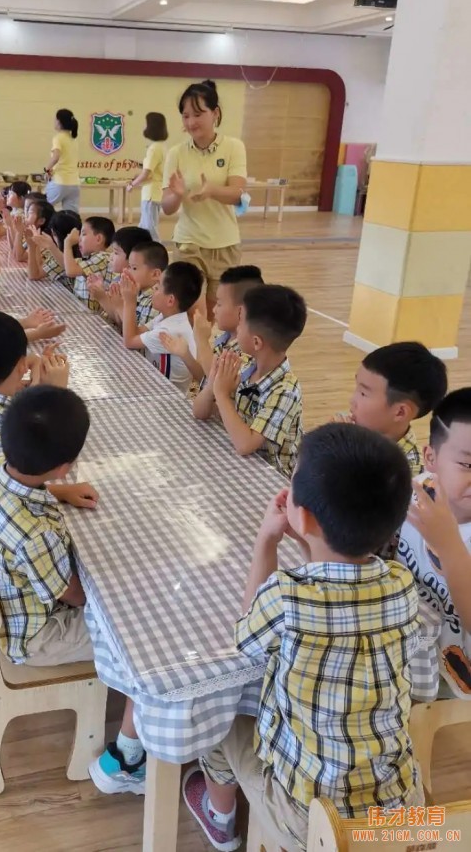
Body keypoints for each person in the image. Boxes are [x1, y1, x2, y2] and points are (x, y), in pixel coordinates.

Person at [181, 423, 425, 852]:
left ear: (305, 515)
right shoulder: (401, 584)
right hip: (401, 811)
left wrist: (266, 542)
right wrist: (309, 541)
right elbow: (340, 588)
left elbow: (248, 636)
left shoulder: (287, 595)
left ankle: (220, 819)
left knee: (222, 718)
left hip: (312, 820)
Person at [0, 385, 100, 665]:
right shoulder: (36, 536)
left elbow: (16, 492)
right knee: (124, 634)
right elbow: (75, 596)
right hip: (36, 637)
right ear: (64, 467)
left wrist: (62, 491)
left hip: (6, 601)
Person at [0, 312, 95, 528]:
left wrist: (39, 386)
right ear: (21, 366)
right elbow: (43, 457)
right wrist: (56, 392)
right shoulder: (8, 425)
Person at [397, 387, 471, 699]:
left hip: (451, 684)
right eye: (468, 465)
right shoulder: (417, 492)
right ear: (431, 458)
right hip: (405, 650)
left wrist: (450, 544)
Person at [195, 285, 306, 477]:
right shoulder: (242, 361)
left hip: (272, 478)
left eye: (240, 323)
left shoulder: (285, 390)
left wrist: (221, 394)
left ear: (256, 342)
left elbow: (245, 445)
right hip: (236, 463)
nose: (236, 329)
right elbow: (199, 412)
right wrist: (213, 384)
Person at [162, 80, 247, 318]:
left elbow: (238, 194)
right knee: (192, 313)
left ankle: (203, 354)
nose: (191, 122)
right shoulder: (176, 153)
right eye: (186, 116)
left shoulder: (234, 147)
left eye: (198, 114)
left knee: (213, 317)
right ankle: (188, 354)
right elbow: (167, 208)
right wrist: (177, 195)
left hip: (225, 246)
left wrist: (212, 191)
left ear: (215, 113)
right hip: (189, 243)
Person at [342, 341, 448, 475]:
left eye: (363, 393)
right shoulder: (358, 429)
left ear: (400, 412)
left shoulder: (404, 472)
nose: (352, 401)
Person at [161, 264, 264, 385]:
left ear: (241, 311)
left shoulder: (246, 349)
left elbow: (217, 386)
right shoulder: (224, 338)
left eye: (219, 304)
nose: (214, 310)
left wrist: (202, 341)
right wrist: (185, 354)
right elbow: (204, 379)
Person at [120, 261, 203, 395]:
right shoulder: (168, 317)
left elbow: (129, 341)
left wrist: (129, 301)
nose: (153, 289)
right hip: (155, 386)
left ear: (170, 300)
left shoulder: (169, 331)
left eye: (158, 287)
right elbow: (135, 332)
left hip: (166, 396)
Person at [87, 226, 152, 322]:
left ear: (133, 257)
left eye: (116, 253)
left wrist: (103, 298)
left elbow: (127, 327)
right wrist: (101, 294)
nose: (111, 257)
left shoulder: (149, 296)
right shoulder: (118, 280)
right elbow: (117, 317)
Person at [127, 112, 168, 241]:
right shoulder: (162, 147)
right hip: (156, 192)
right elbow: (154, 170)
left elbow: (146, 174)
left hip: (151, 194)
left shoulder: (154, 148)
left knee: (150, 229)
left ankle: (158, 254)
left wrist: (132, 184)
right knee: (144, 227)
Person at [63, 216, 115, 312]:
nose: (79, 239)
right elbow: (65, 265)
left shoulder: (102, 257)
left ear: (99, 239)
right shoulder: (88, 259)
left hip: (97, 318)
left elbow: (70, 271)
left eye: (83, 234)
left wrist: (67, 243)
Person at [26, 209, 82, 288]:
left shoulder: (61, 253)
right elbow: (40, 265)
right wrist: (35, 244)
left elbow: (34, 275)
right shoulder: (60, 250)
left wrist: (32, 246)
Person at [44, 108, 80, 213]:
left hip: (60, 181)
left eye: (55, 119)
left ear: (59, 122)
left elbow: (56, 157)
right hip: (74, 184)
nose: (54, 122)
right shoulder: (73, 139)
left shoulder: (58, 138)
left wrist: (46, 169)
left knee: (42, 208)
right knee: (71, 215)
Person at [127, 240, 169, 326]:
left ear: (155, 274)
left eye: (134, 268)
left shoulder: (155, 302)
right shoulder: (136, 292)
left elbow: (136, 336)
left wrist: (124, 304)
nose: (128, 272)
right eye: (129, 267)